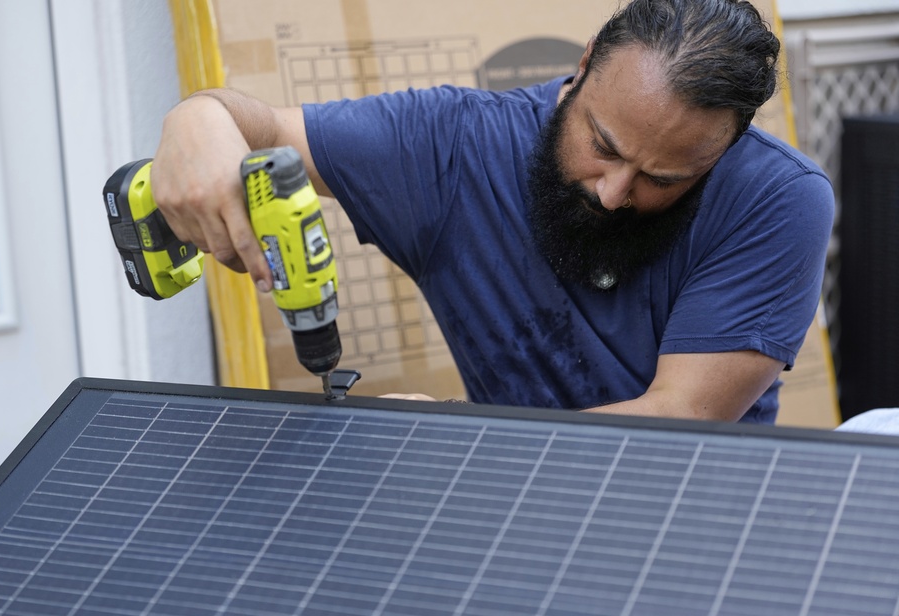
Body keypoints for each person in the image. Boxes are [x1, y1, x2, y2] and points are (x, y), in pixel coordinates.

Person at [150, 0, 834, 424]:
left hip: (687, 519)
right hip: (508, 507)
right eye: (602, 145)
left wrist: (457, 435)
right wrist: (197, 119)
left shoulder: (779, 200)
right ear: (585, 64)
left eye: (663, 177)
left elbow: (676, 419)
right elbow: (261, 125)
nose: (613, 191)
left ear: (728, 149)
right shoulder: (452, 146)